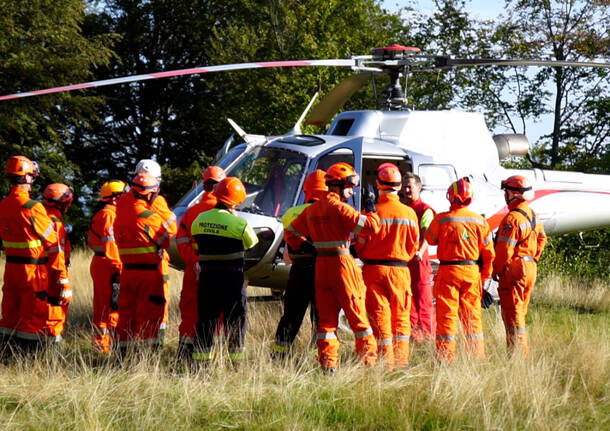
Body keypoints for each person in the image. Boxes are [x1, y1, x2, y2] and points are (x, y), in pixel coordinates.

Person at [285, 162, 380, 372]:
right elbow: (371, 227)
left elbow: (290, 233)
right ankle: (370, 363)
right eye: (349, 185)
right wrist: (371, 208)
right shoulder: (340, 208)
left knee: (326, 322)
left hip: (321, 266)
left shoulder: (313, 209)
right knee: (358, 317)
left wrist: (309, 246)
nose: (352, 190)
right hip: (342, 266)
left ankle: (328, 365)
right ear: (338, 184)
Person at [0, 156, 66, 354]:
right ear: (27, 178)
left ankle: (6, 356)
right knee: (32, 315)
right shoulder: (33, 208)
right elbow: (53, 244)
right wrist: (61, 277)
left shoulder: (3, 205)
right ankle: (28, 360)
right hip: (33, 271)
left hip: (11, 269)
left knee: (10, 314)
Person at [425, 177, 495, 363]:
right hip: (472, 274)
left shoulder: (441, 219)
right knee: (472, 318)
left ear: (451, 197)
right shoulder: (480, 222)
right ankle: (476, 359)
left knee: (447, 317)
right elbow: (489, 254)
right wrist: (483, 278)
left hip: (449, 272)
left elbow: (430, 240)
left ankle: (445, 360)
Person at [355, 164, 419, 369]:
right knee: (401, 317)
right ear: (399, 186)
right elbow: (414, 245)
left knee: (379, 317)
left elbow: (360, 244)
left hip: (374, 270)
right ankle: (401, 363)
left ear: (378, 185)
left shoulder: (370, 214)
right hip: (400, 271)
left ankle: (384, 362)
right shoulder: (409, 213)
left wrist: (368, 257)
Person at [190, 177, 258, 364]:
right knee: (235, 319)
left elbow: (195, 238)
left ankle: (201, 362)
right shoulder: (239, 224)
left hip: (207, 278)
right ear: (237, 200)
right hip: (232, 278)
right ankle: (235, 362)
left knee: (206, 319)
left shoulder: (199, 220)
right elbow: (252, 243)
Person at [118, 159, 177, 342]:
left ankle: (123, 355)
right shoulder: (152, 211)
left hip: (127, 270)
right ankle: (149, 355)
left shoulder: (122, 202)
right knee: (151, 313)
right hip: (150, 270)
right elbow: (169, 234)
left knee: (126, 315)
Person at [272, 170, 327, 358]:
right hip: (323, 270)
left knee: (291, 315)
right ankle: (320, 355)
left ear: (307, 190)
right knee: (321, 317)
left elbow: (288, 246)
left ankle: (279, 356)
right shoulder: (330, 211)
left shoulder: (291, 213)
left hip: (299, 271)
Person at [175, 165, 226, 361]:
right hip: (219, 268)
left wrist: (194, 262)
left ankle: (184, 356)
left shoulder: (191, 212)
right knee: (218, 312)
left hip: (193, 268)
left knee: (190, 310)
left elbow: (181, 241)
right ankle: (212, 357)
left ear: (204, 186)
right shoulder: (228, 214)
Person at [493, 175, 547, 357]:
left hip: (515, 270)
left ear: (513, 194)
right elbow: (542, 239)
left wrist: (496, 270)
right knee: (520, 312)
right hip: (530, 268)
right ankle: (517, 354)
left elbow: (504, 251)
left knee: (513, 314)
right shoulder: (534, 215)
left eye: (506, 191)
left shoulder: (512, 219)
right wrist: (533, 258)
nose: (504, 195)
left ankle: (518, 357)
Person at [88, 180, 127, 354]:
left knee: (102, 308)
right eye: (122, 194)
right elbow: (111, 246)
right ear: (113, 198)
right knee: (111, 307)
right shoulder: (109, 216)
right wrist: (119, 271)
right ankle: (108, 347)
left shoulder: (105, 214)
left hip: (103, 263)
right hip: (109, 266)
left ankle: (101, 347)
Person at [401, 172, 436, 342]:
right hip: (405, 262)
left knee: (423, 302)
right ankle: (415, 338)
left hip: (419, 262)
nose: (407, 190)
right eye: (405, 186)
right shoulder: (403, 209)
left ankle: (428, 339)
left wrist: (420, 252)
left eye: (410, 186)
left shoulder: (425, 210)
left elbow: (427, 235)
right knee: (408, 303)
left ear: (419, 187)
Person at [42, 183, 74, 342]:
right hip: (54, 274)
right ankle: (52, 347)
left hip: (41, 272)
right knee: (55, 309)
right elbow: (58, 254)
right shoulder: (56, 223)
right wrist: (64, 282)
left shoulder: (42, 216)